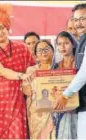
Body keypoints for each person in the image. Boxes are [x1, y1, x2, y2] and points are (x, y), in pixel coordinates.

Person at [0, 4, 35, 139]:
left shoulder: (21, 48)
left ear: (8, 28)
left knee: (18, 134)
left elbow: (32, 65)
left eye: (2, 27)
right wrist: (21, 76)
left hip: (18, 102)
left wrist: (28, 75)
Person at [55, 3, 86, 139]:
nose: (78, 23)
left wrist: (65, 94)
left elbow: (84, 73)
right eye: (75, 19)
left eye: (83, 19)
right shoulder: (82, 41)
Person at [22, 40, 56, 139]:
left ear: (53, 51)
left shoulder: (59, 68)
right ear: (36, 55)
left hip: (55, 109)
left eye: (46, 49)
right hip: (37, 112)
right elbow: (25, 89)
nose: (43, 52)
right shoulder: (31, 70)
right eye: (40, 50)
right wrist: (26, 88)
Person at [53, 31, 78, 139]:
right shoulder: (56, 66)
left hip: (79, 109)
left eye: (66, 43)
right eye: (59, 44)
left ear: (73, 44)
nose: (62, 47)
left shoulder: (80, 63)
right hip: (62, 110)